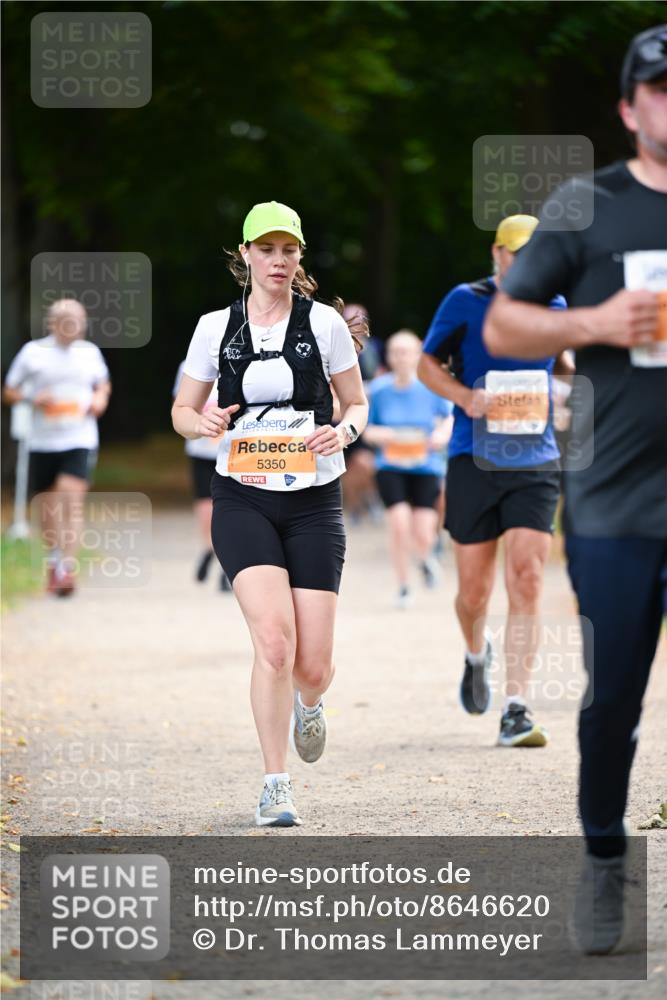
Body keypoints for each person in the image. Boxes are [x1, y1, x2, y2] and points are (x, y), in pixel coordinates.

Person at [483, 25, 667, 954]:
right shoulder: (584, 207)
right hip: (616, 502)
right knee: (614, 697)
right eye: (661, 88)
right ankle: (602, 863)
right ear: (629, 107)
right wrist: (591, 318)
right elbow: (508, 325)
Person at [172, 201, 368, 828]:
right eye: (267, 249)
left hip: (313, 501)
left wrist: (345, 433)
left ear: (299, 257)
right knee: (275, 645)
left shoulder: (327, 326)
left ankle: (310, 703)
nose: (278, 260)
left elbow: (356, 404)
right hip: (242, 495)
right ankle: (275, 783)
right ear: (246, 255)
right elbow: (182, 410)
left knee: (312, 666)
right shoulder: (214, 327)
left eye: (289, 250)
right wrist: (198, 422)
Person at [418, 215, 571, 747]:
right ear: (498, 254)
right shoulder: (466, 300)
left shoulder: (554, 305)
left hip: (535, 460)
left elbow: (566, 362)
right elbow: (426, 365)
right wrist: (465, 398)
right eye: (517, 253)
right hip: (472, 459)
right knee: (474, 591)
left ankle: (516, 708)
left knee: (527, 577)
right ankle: (474, 653)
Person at [3, 298, 111, 596]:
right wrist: (31, 399)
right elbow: (9, 391)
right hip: (41, 441)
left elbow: (102, 383)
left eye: (80, 321)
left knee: (71, 499)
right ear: (53, 324)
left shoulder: (89, 353)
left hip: (79, 438)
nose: (76, 327)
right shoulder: (33, 353)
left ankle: (67, 567)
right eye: (69, 321)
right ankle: (54, 559)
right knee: (48, 507)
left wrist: (100, 399)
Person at [364, 329, 453, 607]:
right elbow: (365, 429)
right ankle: (403, 586)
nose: (400, 358)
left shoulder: (432, 386)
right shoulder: (378, 390)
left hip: (425, 466)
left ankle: (426, 559)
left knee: (424, 533)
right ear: (388, 356)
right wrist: (385, 435)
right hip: (390, 465)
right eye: (395, 352)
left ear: (417, 355)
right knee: (399, 524)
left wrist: (440, 437)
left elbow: (449, 419)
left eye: (406, 352)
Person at [172, 361, 231, 590]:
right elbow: (180, 406)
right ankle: (208, 549)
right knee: (207, 512)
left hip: (235, 453)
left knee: (229, 512)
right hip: (201, 452)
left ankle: (227, 567)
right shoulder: (190, 365)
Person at [338, 303, 383, 522]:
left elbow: (382, 373)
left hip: (364, 410)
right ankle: (354, 506)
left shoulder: (373, 347)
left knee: (365, 463)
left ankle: (367, 500)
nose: (357, 323)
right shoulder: (335, 346)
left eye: (360, 319)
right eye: (351, 319)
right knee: (346, 466)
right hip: (338, 413)